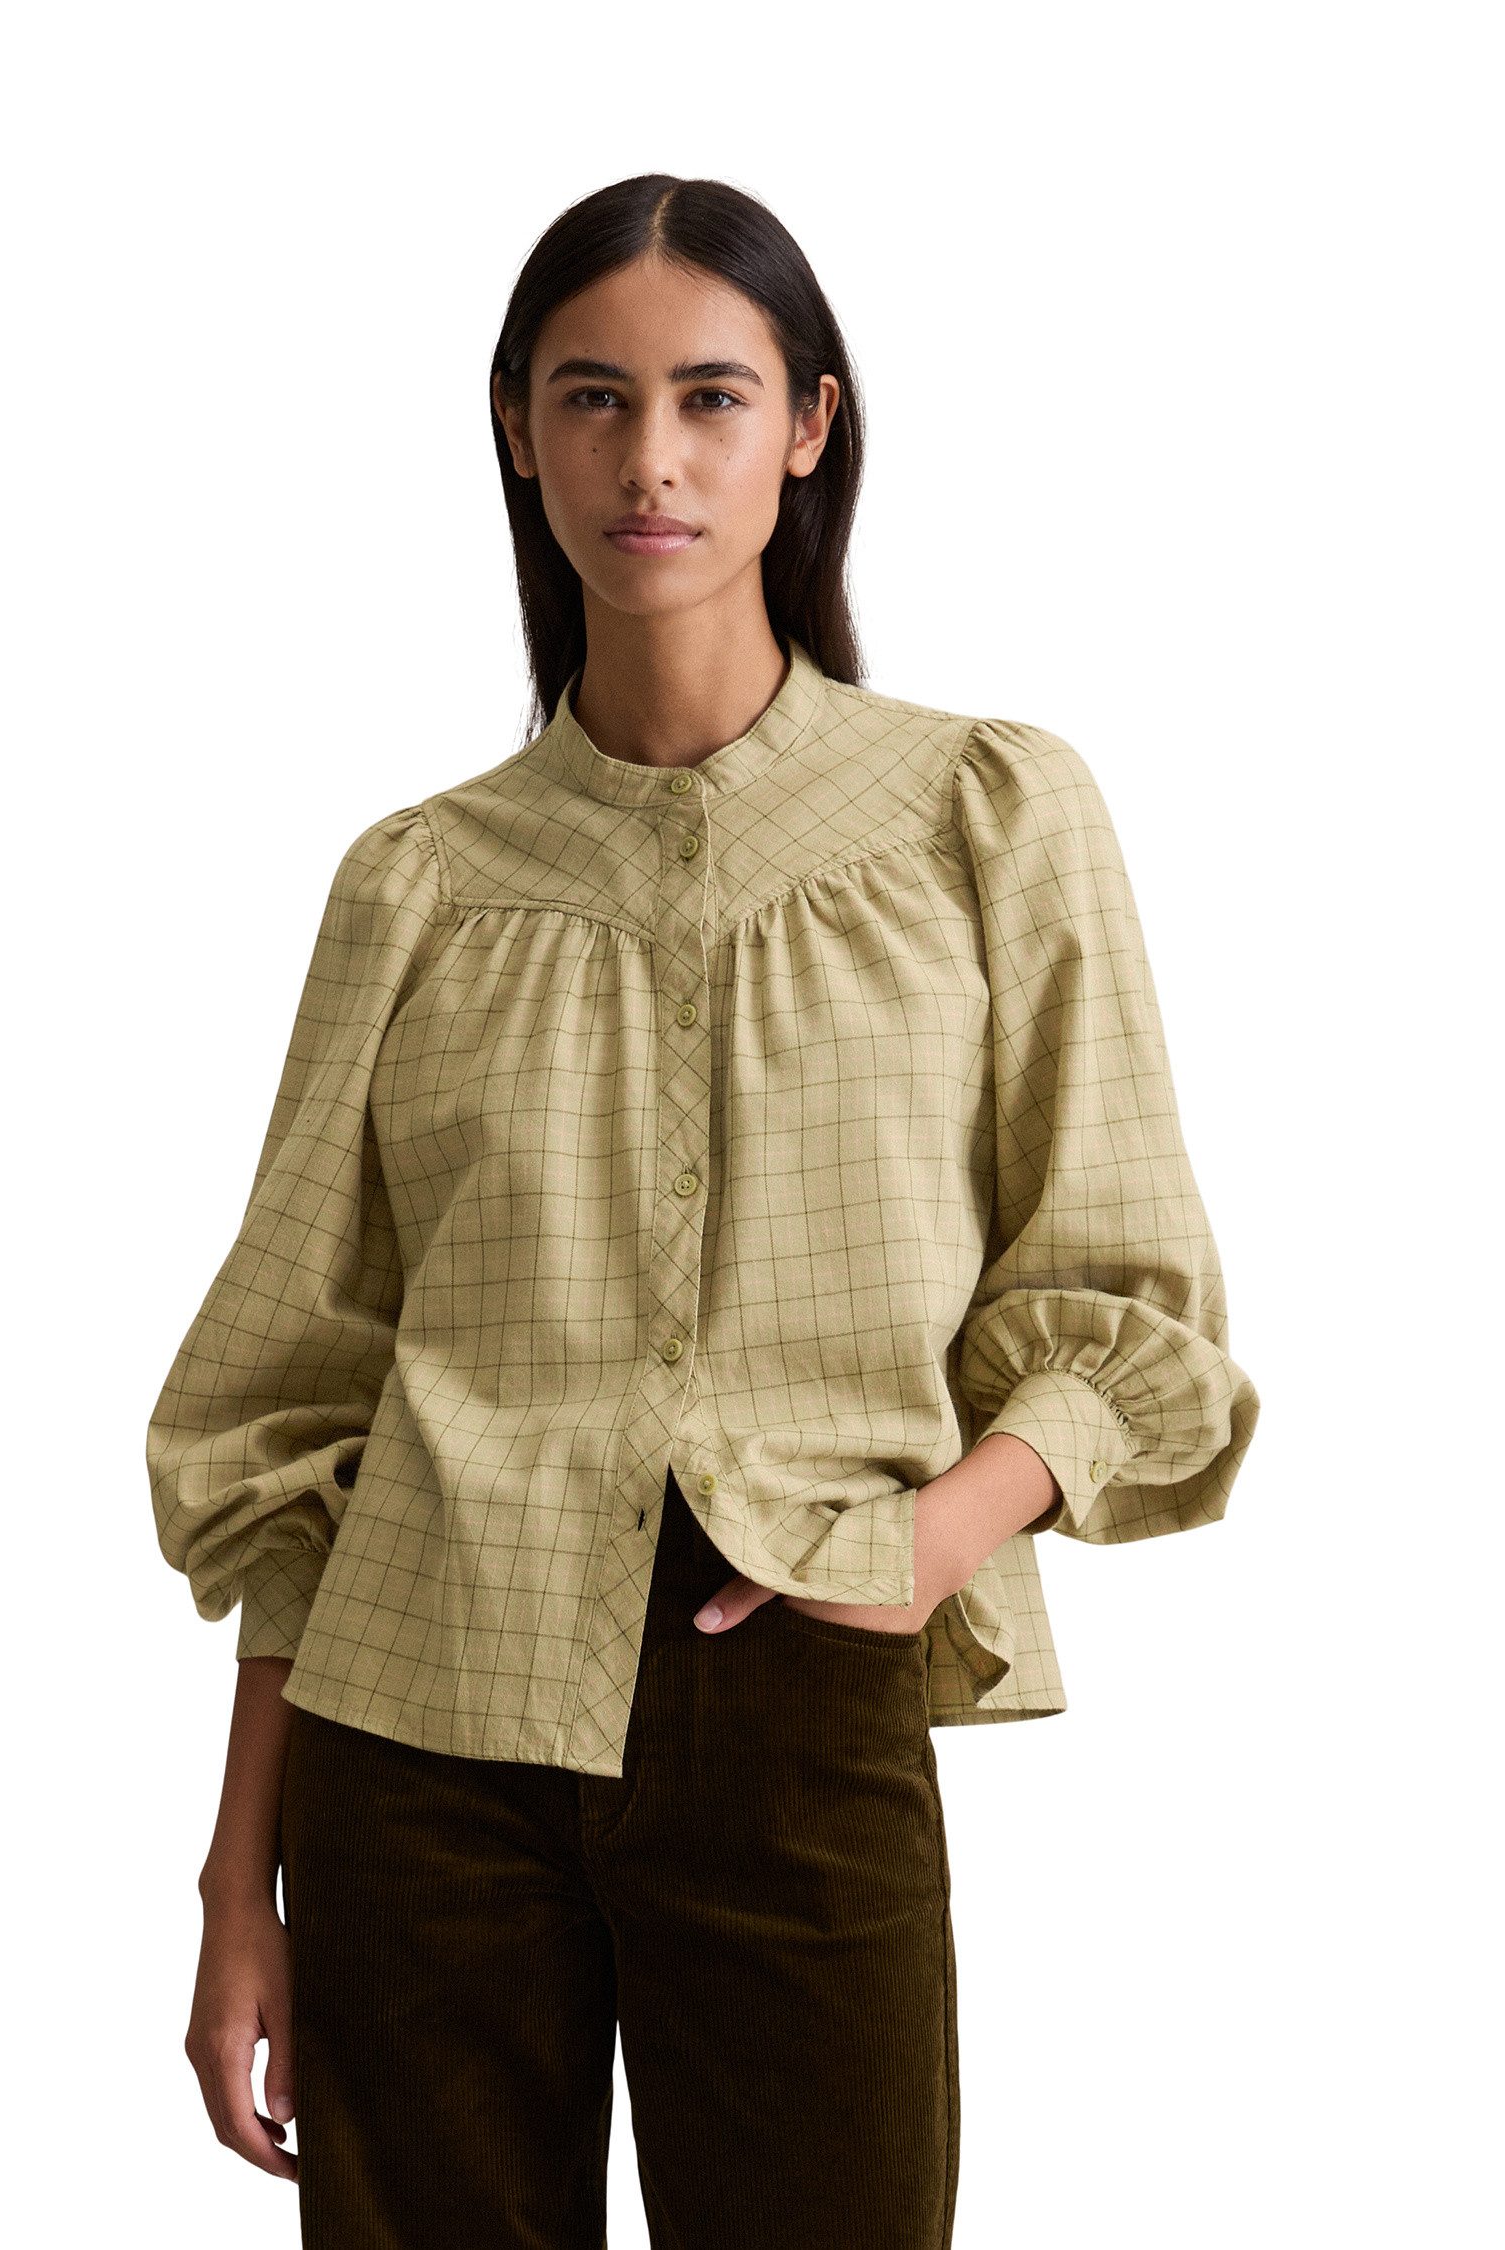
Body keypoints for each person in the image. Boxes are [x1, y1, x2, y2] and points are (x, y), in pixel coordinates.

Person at [147, 173, 1261, 2250]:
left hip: (800, 1691)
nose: (647, 459)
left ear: (808, 426)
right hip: (415, 1738)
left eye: (709, 398)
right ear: (518, 431)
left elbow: (1125, 1290)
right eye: (591, 398)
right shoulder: (416, 884)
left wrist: (936, 1534)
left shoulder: (983, 812)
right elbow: (297, 1415)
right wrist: (240, 1882)